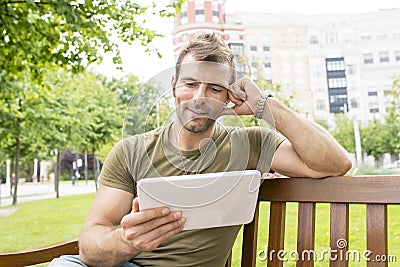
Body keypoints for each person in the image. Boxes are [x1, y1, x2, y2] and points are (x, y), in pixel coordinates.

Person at [49, 33, 351, 267]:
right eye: (190, 84)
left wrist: (263, 104)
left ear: (230, 96)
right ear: (173, 86)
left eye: (215, 89)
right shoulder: (130, 151)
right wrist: (127, 240)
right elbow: (90, 243)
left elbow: (334, 164)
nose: (200, 98)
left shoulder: (251, 145)